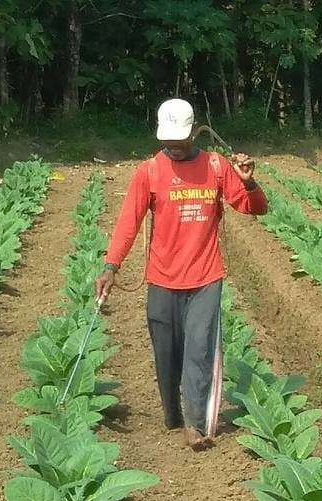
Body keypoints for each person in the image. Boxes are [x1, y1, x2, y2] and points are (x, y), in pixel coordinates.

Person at [95, 98, 268, 450]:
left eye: (179, 140)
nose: (173, 147)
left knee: (199, 351)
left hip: (205, 278)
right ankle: (173, 415)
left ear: (192, 133)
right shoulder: (150, 171)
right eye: (167, 141)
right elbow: (129, 223)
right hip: (161, 280)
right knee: (167, 352)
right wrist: (111, 266)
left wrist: (249, 183)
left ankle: (196, 423)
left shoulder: (217, 168)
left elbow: (255, 209)